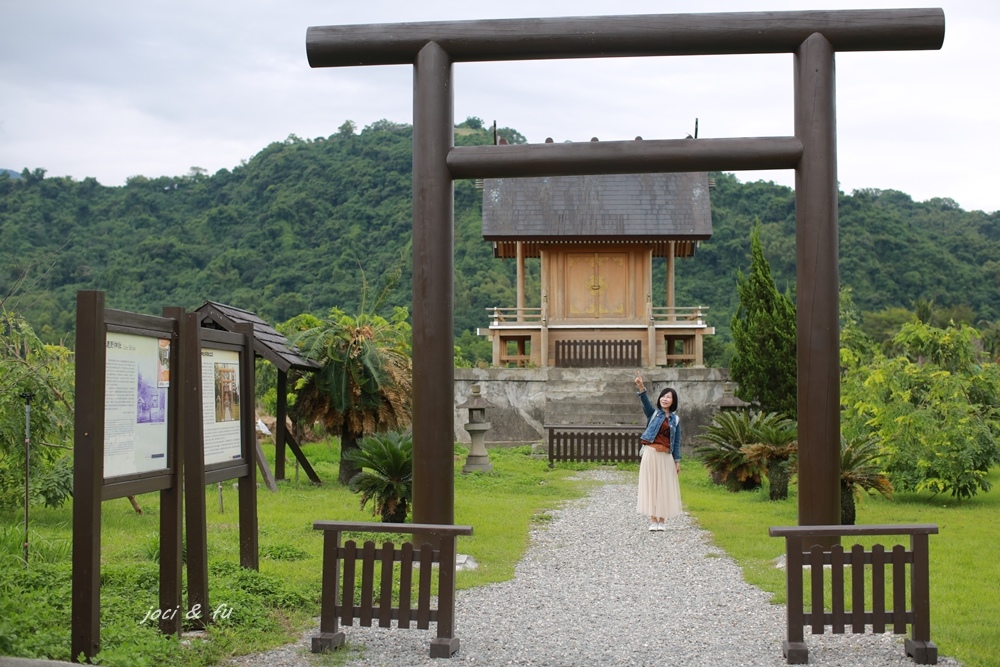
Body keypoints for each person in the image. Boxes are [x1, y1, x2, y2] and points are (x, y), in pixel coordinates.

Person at [634, 372, 682, 531]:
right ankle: (653, 520)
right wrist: (641, 386)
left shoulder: (675, 420)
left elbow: (676, 443)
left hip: (666, 457)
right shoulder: (653, 413)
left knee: (664, 487)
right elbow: (645, 402)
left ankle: (662, 521)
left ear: (673, 401)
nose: (665, 399)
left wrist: (677, 461)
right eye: (663, 396)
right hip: (651, 454)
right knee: (651, 486)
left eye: (668, 397)